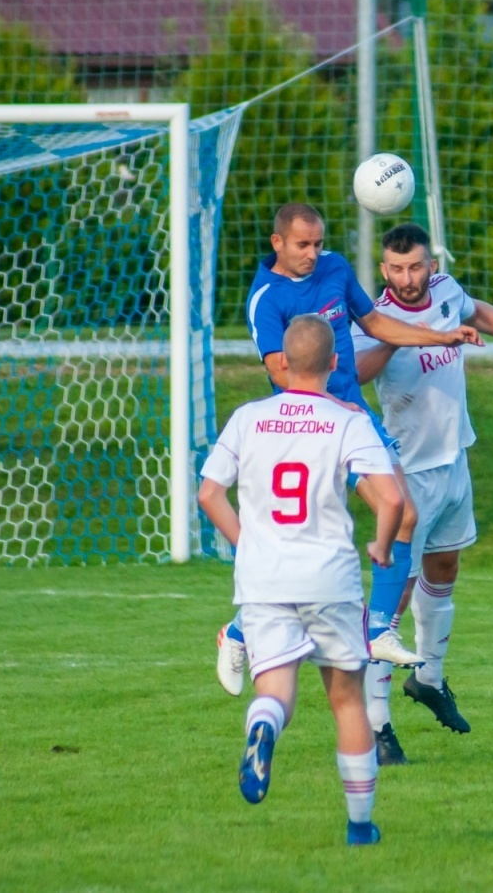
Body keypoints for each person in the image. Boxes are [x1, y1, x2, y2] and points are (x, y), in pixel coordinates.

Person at [216, 203, 482, 695]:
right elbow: (279, 371)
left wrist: (439, 336)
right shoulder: (265, 298)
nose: (313, 253)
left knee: (402, 513)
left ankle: (377, 628)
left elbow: (376, 322)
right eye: (303, 245)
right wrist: (330, 404)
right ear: (278, 242)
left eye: (318, 243)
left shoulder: (335, 268)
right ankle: (238, 631)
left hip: (354, 420)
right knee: (304, 549)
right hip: (306, 426)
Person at [352, 223, 493, 764]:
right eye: (396, 269)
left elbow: (478, 311)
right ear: (384, 270)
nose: (407, 278)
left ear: (431, 264)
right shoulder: (373, 318)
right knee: (394, 598)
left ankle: (428, 678)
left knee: (444, 568)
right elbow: (356, 372)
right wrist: (395, 334)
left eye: (415, 267)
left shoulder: (446, 291)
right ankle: (376, 726)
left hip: (454, 461)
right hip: (406, 472)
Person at [197, 314, 405, 845]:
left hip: (264, 580)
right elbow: (392, 499)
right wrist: (382, 545)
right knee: (347, 700)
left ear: (284, 364)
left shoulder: (248, 417)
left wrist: (248, 545)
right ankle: (360, 826)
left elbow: (209, 494)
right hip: (329, 578)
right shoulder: (347, 421)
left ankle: (263, 726)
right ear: (334, 362)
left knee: (275, 689)